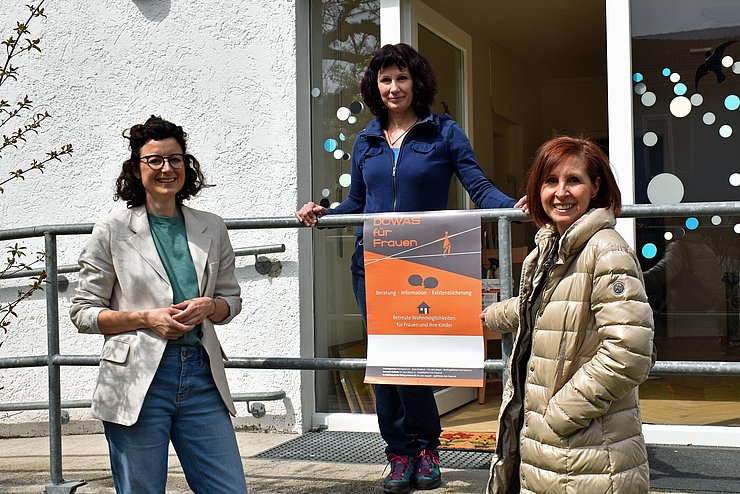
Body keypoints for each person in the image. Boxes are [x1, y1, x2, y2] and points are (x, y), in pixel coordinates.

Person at [296, 43, 524, 494]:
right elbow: (357, 204)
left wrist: (516, 207)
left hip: (426, 262)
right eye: (385, 80)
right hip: (373, 263)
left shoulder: (443, 132)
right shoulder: (366, 140)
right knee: (386, 363)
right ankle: (398, 454)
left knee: (416, 363)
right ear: (375, 87)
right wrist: (323, 213)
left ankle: (426, 450)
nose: (394, 87)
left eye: (402, 78)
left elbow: (478, 187)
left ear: (417, 82)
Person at [70, 116, 247, 494]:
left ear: (187, 165)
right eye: (154, 160)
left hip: (201, 376)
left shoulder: (212, 226)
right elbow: (82, 313)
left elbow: (231, 299)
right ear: (137, 168)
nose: (167, 168)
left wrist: (209, 307)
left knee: (229, 488)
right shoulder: (112, 230)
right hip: (137, 378)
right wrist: (146, 318)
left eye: (176, 159)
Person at [480, 136, 655, 494]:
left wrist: (558, 415)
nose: (561, 192)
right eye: (550, 181)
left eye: (573, 180)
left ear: (595, 187)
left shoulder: (606, 252)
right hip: (557, 447)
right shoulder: (552, 248)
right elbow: (545, 307)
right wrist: (491, 314)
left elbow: (629, 355)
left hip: (587, 450)